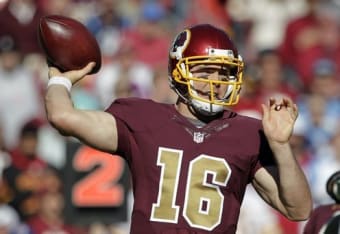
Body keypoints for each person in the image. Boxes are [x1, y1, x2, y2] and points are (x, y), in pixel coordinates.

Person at [44, 24, 312, 233]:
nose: (215, 82)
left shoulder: (247, 132)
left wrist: (281, 147)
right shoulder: (142, 118)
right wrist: (60, 80)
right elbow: (63, 117)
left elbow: (298, 209)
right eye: (205, 72)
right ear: (178, 72)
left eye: (224, 73)